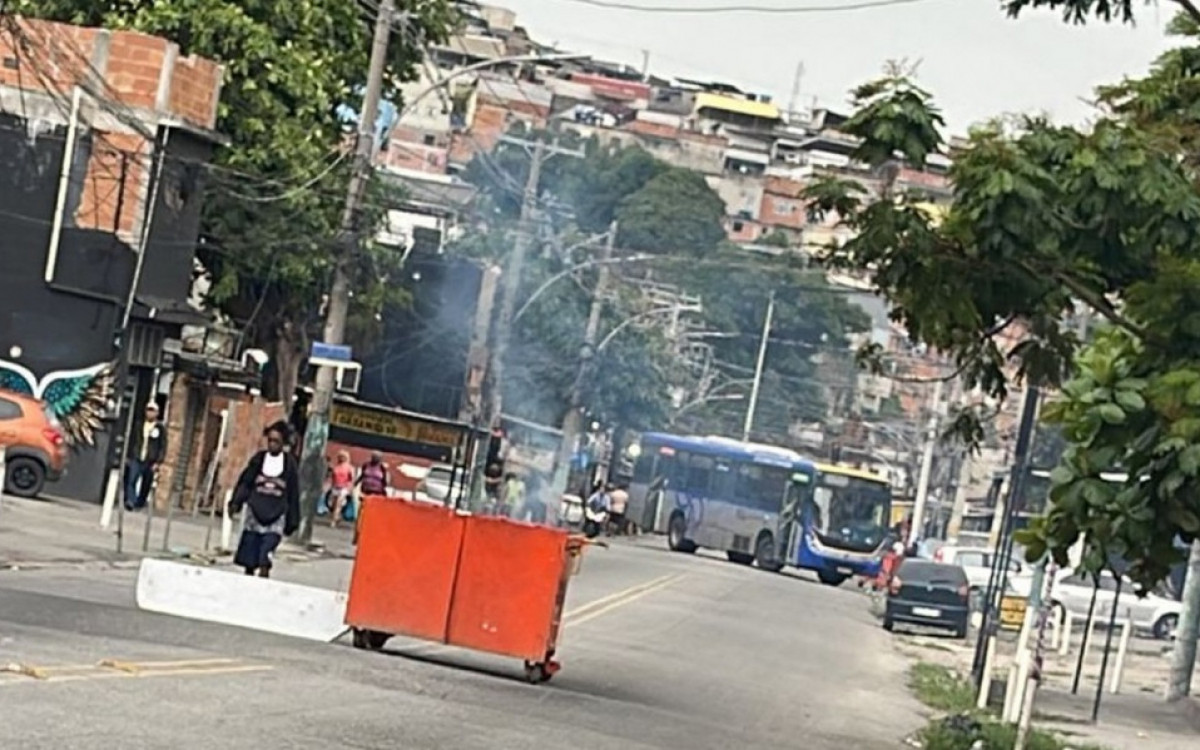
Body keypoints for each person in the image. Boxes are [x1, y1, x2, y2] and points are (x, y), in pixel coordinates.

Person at [229, 421, 301, 578]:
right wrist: (236, 502)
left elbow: (293, 493)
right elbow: (246, 482)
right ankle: (249, 568)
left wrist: (292, 520)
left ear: (283, 443)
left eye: (276, 441)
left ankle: (264, 566)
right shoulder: (258, 460)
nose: (272, 445)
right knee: (251, 542)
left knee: (269, 543)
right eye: (270, 440)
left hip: (276, 511)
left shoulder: (289, 465)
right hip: (255, 509)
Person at [125, 401, 166, 511]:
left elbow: (162, 445)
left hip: (150, 460)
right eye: (148, 410)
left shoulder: (160, 428)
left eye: (152, 411)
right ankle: (130, 501)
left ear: (157, 413)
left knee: (146, 483)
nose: (150, 413)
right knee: (131, 479)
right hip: (137, 457)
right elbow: (132, 440)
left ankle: (140, 502)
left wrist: (158, 461)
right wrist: (129, 455)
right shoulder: (139, 425)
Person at [328, 450, 354, 527]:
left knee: (338, 504)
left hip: (344, 487)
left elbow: (351, 479)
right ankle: (337, 517)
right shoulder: (336, 466)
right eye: (340, 457)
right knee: (333, 504)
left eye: (343, 457)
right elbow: (332, 477)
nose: (341, 458)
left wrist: (350, 488)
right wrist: (330, 485)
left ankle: (333, 521)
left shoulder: (349, 467)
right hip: (335, 486)